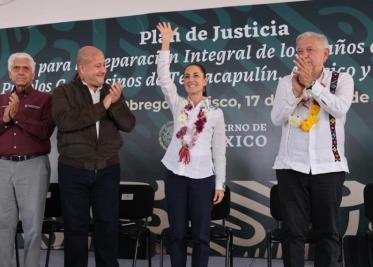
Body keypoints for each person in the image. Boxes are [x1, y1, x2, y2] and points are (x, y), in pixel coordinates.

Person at [271, 31, 354, 267]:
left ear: (325, 54)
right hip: (290, 167)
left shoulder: (342, 79)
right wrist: (297, 93)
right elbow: (277, 118)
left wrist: (313, 85)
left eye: (310, 50)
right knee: (293, 233)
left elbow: (339, 108)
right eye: (299, 51)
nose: (304, 55)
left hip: (329, 166)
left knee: (327, 231)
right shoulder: (286, 82)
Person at [52, 46, 136, 267]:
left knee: (107, 225)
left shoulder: (111, 92)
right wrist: (104, 104)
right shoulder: (64, 92)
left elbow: (128, 124)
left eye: (104, 65)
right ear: (82, 68)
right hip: (74, 170)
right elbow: (67, 122)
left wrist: (115, 103)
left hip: (108, 170)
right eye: (98, 65)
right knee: (75, 228)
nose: (103, 70)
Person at [156, 22, 226, 267]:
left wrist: (220, 183)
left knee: (201, 236)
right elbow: (164, 79)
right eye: (186, 76)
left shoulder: (215, 112)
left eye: (196, 75)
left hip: (203, 177)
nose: (190, 79)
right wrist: (166, 43)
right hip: (175, 174)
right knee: (176, 234)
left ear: (205, 81)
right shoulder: (178, 105)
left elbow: (219, 151)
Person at [0, 52, 54, 267]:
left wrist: (18, 116)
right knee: (3, 223)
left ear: (34, 73)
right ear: (10, 73)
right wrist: (5, 120)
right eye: (16, 68)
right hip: (3, 166)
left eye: (26, 68)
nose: (21, 72)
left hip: (33, 165)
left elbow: (45, 131)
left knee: (32, 226)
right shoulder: (2, 100)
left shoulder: (45, 99)